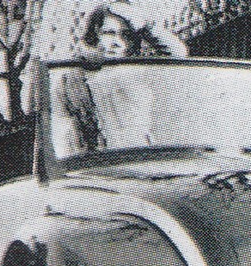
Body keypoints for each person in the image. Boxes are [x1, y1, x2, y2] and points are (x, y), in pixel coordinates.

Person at [52, 2, 187, 157]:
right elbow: (60, 130)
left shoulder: (139, 71)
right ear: (95, 33)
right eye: (109, 33)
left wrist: (144, 26)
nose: (117, 42)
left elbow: (177, 54)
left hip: (137, 157)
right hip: (93, 162)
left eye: (126, 35)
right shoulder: (71, 78)